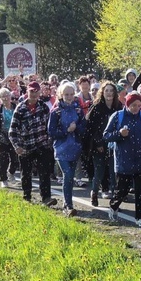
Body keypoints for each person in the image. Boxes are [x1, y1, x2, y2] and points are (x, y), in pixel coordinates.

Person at [103, 92, 141, 227]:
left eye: (138, 105)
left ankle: (140, 217)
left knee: (140, 191)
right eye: (133, 105)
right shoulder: (118, 116)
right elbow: (106, 135)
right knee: (123, 190)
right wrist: (119, 134)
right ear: (127, 104)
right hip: (123, 160)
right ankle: (113, 206)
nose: (136, 108)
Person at [9, 83, 57, 206]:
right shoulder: (20, 108)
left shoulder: (44, 107)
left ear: (39, 92)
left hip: (42, 145)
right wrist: (17, 146)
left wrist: (49, 142)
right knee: (26, 173)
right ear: (27, 92)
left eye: (36, 91)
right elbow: (13, 130)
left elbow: (49, 127)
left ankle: (46, 198)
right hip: (26, 146)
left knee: (44, 172)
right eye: (32, 91)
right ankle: (27, 197)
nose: (34, 94)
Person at [48, 82, 86, 217]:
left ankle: (67, 202)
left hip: (75, 147)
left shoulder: (78, 110)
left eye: (71, 94)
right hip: (61, 148)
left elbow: (84, 129)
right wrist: (66, 130)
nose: (69, 97)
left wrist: (77, 129)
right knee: (68, 174)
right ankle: (68, 205)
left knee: (69, 177)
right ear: (61, 95)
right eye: (66, 94)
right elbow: (51, 132)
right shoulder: (56, 111)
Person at [86, 81, 121, 206]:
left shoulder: (118, 107)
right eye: (107, 90)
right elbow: (91, 128)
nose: (109, 93)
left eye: (112, 90)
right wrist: (98, 143)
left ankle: (114, 199)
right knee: (99, 171)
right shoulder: (96, 107)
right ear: (102, 92)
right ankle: (94, 193)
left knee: (113, 172)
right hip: (99, 145)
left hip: (114, 144)